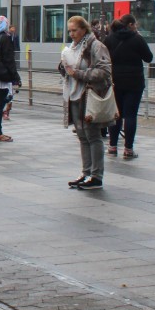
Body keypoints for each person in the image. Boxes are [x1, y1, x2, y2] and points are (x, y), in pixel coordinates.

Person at [60, 15, 113, 189]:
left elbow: (104, 71)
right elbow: (71, 67)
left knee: (93, 135)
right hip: (75, 95)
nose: (72, 34)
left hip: (89, 95)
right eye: (70, 31)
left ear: (84, 29)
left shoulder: (96, 46)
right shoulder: (74, 47)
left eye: (74, 30)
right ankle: (86, 172)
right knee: (83, 136)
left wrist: (78, 74)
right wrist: (63, 68)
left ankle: (96, 175)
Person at [105, 13, 154, 159]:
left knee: (116, 115)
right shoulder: (137, 38)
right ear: (131, 25)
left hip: (115, 81)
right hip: (134, 82)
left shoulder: (109, 39)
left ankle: (112, 146)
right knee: (131, 115)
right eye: (135, 24)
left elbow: (103, 57)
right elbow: (148, 57)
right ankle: (128, 149)